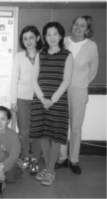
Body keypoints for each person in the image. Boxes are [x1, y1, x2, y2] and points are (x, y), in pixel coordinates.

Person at [30, 22, 73, 186]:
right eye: (48, 34)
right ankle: (49, 169)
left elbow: (67, 80)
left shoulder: (67, 55)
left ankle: (50, 171)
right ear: (45, 37)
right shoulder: (40, 54)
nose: (52, 37)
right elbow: (33, 79)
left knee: (55, 136)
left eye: (55, 34)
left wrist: (52, 100)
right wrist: (42, 99)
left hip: (58, 101)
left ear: (61, 36)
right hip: (40, 100)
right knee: (42, 135)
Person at [55, 16, 98, 175]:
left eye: (82, 25)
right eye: (76, 24)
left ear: (87, 29)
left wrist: (80, 83)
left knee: (76, 127)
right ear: (72, 25)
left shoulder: (91, 46)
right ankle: (62, 157)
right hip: (61, 89)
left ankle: (74, 160)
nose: (78, 27)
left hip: (79, 91)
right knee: (61, 125)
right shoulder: (63, 41)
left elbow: (93, 70)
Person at [10, 25, 43, 175]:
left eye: (31, 37)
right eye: (25, 38)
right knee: (23, 132)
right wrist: (13, 101)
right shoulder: (18, 56)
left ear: (37, 38)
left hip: (39, 98)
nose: (28, 41)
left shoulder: (43, 55)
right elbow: (13, 80)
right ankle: (25, 157)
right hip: (22, 98)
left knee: (36, 132)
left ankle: (35, 159)